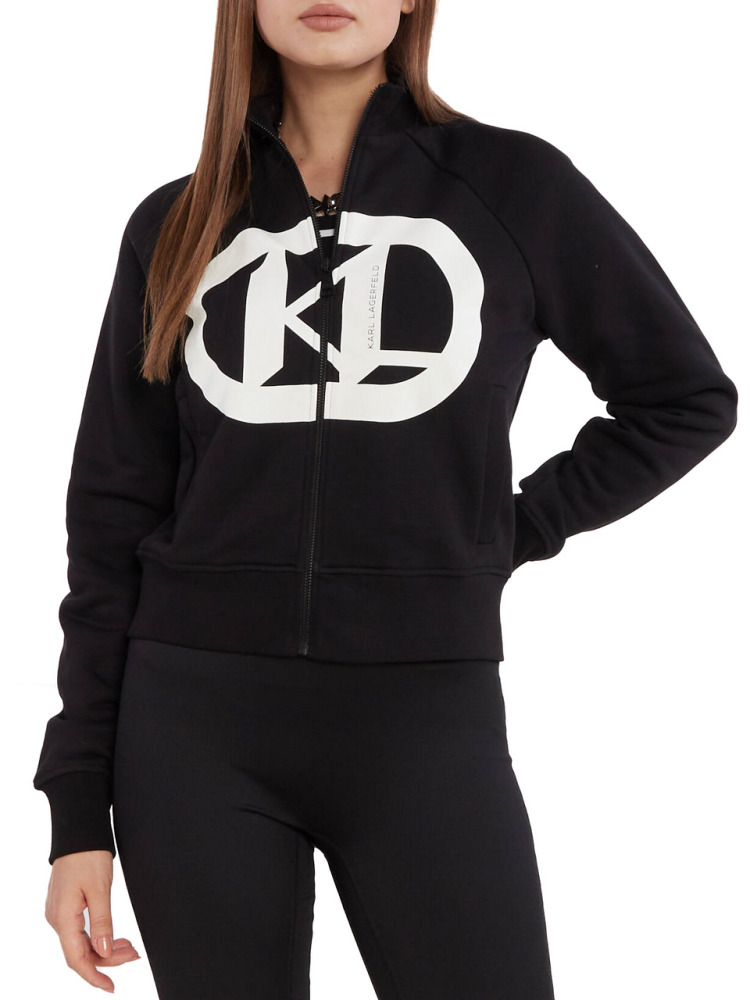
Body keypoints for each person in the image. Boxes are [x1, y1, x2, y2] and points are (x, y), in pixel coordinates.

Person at [33, 1, 738, 997]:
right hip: (190, 729)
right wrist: (76, 811)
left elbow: (685, 399)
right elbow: (110, 516)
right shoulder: (176, 221)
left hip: (424, 718)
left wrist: (511, 528)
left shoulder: (513, 186)